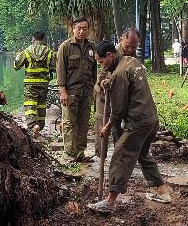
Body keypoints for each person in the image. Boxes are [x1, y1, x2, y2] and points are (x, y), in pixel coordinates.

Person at [87, 41, 171, 213]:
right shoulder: (131, 61)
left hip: (138, 121)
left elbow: (118, 110)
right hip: (151, 118)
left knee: (120, 154)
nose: (102, 65)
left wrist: (108, 125)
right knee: (142, 154)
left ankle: (110, 201)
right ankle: (162, 192)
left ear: (109, 55)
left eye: (102, 61)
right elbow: (125, 83)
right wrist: (109, 82)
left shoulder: (119, 74)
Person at [55, 16, 97, 162]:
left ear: (88, 30)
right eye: (78, 28)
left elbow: (94, 70)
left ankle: (80, 153)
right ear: (73, 29)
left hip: (86, 92)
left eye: (84, 29)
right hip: (70, 92)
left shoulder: (91, 47)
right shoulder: (65, 47)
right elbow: (60, 70)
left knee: (83, 123)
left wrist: (94, 89)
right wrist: (62, 91)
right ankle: (69, 154)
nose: (81, 31)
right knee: (69, 123)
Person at [13, 31, 55, 136]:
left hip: (30, 84)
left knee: (30, 106)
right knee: (41, 105)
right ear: (44, 39)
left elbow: (16, 66)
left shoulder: (27, 51)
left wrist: (17, 57)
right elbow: (54, 68)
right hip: (43, 84)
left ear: (33, 39)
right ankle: (40, 126)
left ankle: (33, 127)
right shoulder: (49, 52)